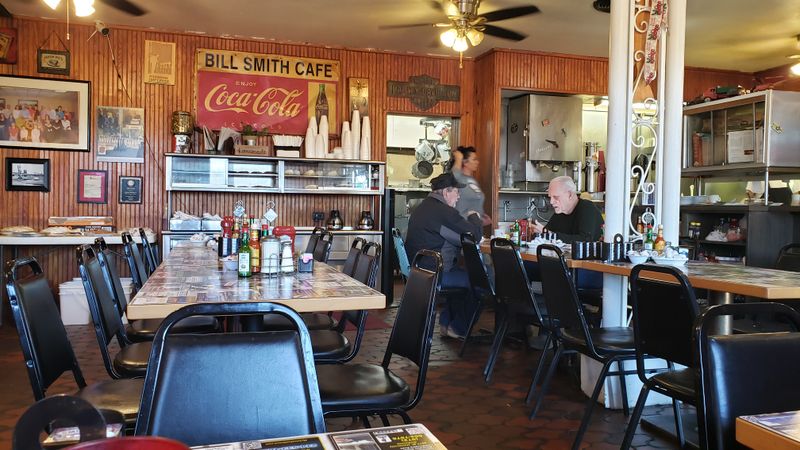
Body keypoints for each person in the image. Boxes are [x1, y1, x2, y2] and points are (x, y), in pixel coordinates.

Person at [405, 172, 478, 339]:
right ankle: (458, 327)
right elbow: (475, 236)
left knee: (463, 274)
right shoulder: (443, 211)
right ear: (446, 192)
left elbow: (447, 234)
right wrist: (474, 216)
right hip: (434, 274)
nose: (458, 197)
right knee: (479, 280)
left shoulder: (423, 208)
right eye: (456, 192)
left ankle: (447, 324)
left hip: (420, 272)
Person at [532, 176, 603, 244]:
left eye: (556, 197)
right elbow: (547, 233)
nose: (551, 202)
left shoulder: (588, 209)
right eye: (550, 197)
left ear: (570, 195)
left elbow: (585, 240)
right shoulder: (560, 212)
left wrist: (549, 234)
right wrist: (535, 232)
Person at [451, 146, 492, 231]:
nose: (477, 162)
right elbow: (453, 176)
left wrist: (482, 218)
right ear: (465, 162)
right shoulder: (458, 179)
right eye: (474, 159)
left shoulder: (472, 180)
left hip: (475, 228)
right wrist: (459, 158)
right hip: (462, 228)